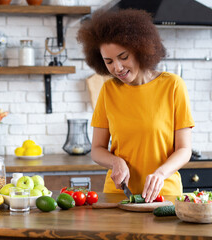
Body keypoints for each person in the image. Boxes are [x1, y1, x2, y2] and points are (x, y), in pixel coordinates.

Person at [77, 9, 195, 202]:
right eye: (109, 61)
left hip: (164, 195)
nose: (117, 67)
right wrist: (115, 162)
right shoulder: (108, 90)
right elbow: (97, 149)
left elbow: (184, 150)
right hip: (119, 195)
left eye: (123, 57)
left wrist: (161, 174)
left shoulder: (173, 85)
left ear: (140, 49)